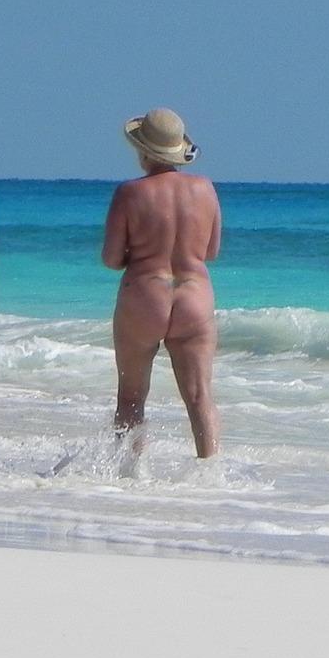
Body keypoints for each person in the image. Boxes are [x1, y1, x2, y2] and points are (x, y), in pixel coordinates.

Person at [102, 108, 221, 459]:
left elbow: (110, 259)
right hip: (194, 295)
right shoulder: (205, 189)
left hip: (145, 294)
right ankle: (209, 476)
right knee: (200, 398)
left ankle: (128, 473)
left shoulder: (129, 193)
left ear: (142, 152)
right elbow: (210, 251)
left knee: (131, 398)